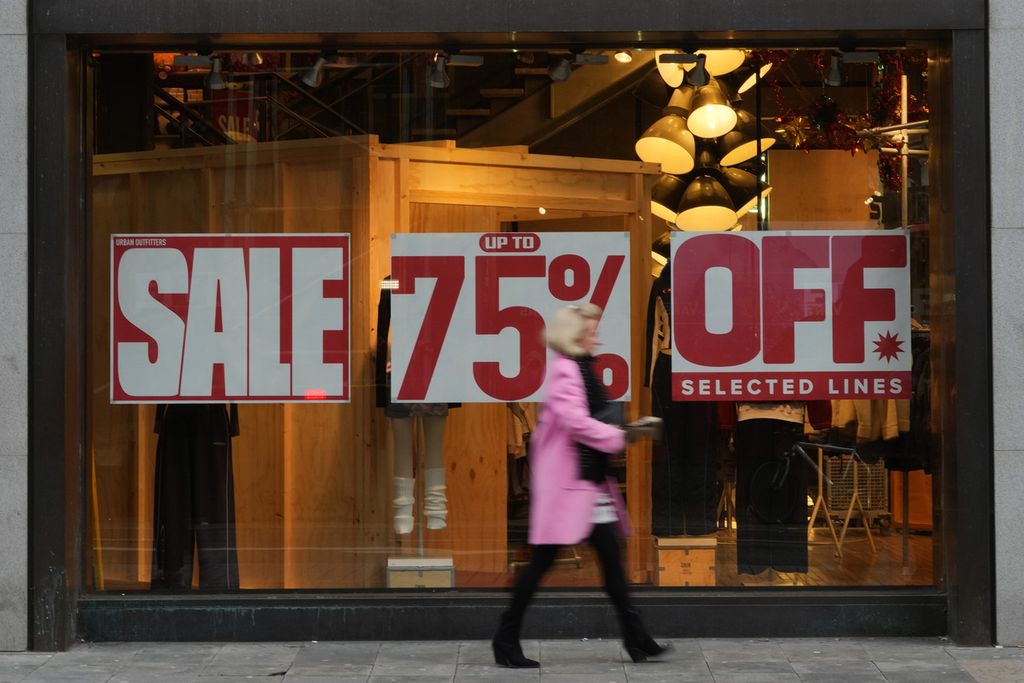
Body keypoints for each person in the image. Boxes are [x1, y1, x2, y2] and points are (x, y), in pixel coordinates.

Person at [492, 304, 671, 668]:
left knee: (610, 559)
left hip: (585, 487)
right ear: (575, 336)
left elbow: (589, 418)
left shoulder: (580, 370)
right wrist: (620, 434)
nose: (597, 337)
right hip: (569, 488)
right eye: (591, 331)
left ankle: (636, 637)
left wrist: (622, 430)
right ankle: (505, 638)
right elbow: (576, 422)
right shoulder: (565, 372)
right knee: (541, 563)